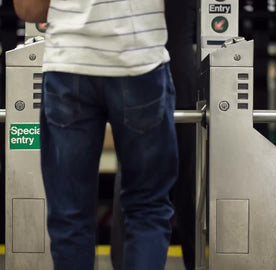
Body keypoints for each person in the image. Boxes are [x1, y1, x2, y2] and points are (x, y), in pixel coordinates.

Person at [14, 0, 179, 269]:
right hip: (139, 62)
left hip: (69, 64)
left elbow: (28, 9)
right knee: (147, 209)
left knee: (70, 216)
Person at [110, 0, 198, 269]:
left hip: (143, 70)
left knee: (134, 175)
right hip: (181, 71)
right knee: (189, 180)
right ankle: (196, 260)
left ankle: (124, 262)